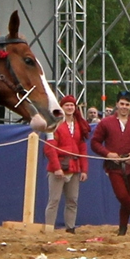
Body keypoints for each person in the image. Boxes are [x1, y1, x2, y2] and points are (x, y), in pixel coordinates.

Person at [90, 90, 130, 235]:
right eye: (122, 104)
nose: (124, 107)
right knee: (121, 195)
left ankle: (122, 229)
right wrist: (108, 154)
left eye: (127, 104)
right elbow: (95, 143)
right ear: (117, 104)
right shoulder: (106, 122)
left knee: (127, 198)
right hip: (114, 165)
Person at [44, 95, 90, 234]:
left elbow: (82, 148)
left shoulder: (79, 125)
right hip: (58, 168)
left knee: (72, 200)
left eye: (72, 105)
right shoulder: (54, 124)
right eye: (67, 105)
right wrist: (57, 168)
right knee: (54, 200)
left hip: (74, 167)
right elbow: (50, 148)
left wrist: (84, 170)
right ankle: (49, 229)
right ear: (61, 107)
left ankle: (70, 228)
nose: (70, 108)